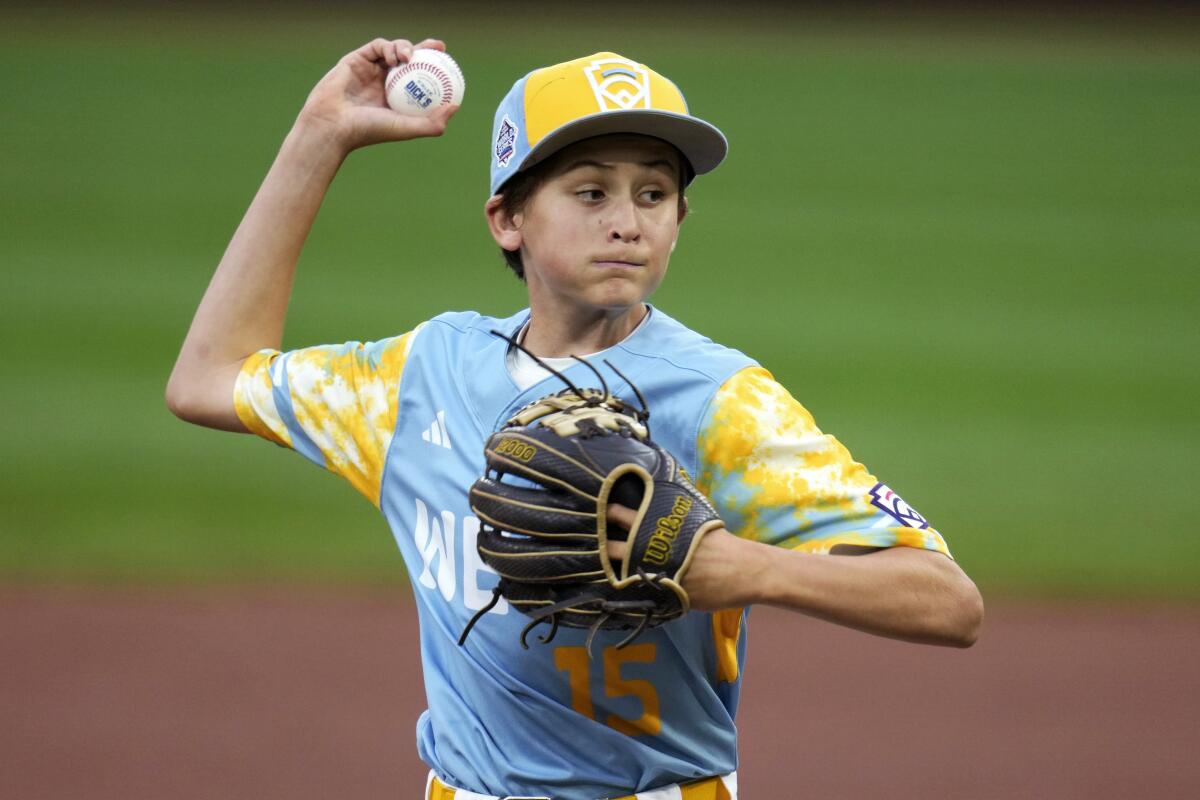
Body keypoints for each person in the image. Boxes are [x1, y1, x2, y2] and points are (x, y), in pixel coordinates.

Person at [167, 38, 984, 800]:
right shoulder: (422, 375)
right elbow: (208, 379)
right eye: (591, 191)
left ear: (680, 222)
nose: (627, 220)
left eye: (654, 194)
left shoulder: (718, 398)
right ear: (508, 219)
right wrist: (320, 136)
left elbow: (948, 602)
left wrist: (745, 569)